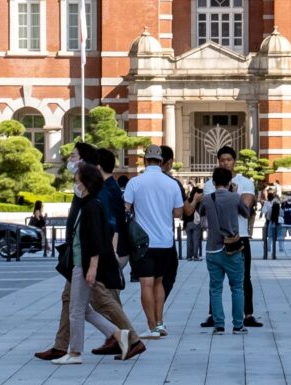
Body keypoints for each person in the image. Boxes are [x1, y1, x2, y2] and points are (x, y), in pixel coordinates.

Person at [41, 148, 140, 362]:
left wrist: (100, 262)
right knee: (77, 304)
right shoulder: (86, 200)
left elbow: (104, 229)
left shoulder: (98, 198)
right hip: (82, 260)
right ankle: (115, 337)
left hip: (91, 261)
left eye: (74, 158)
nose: (71, 165)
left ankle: (122, 339)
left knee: (95, 303)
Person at [123, 145, 187, 338]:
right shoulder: (172, 184)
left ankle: (151, 327)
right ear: (161, 161)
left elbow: (126, 208)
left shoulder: (135, 183)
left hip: (143, 242)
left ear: (145, 160)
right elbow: (178, 213)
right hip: (165, 241)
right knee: (159, 283)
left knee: (146, 284)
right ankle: (160, 323)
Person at [211, 144, 263, 330]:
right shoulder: (210, 183)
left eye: (229, 160)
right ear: (218, 162)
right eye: (222, 160)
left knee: (244, 277)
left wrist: (228, 194)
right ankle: (213, 315)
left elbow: (245, 208)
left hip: (240, 235)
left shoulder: (245, 182)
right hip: (216, 238)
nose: (225, 163)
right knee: (215, 280)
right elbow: (211, 208)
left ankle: (248, 314)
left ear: (235, 162)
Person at [196, 166, 250, 335]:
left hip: (212, 248)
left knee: (215, 288)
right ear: (229, 182)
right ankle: (238, 325)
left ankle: (219, 324)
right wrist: (235, 192)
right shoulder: (235, 197)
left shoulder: (206, 198)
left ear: (213, 181)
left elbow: (201, 213)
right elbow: (246, 213)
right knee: (237, 287)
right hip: (232, 248)